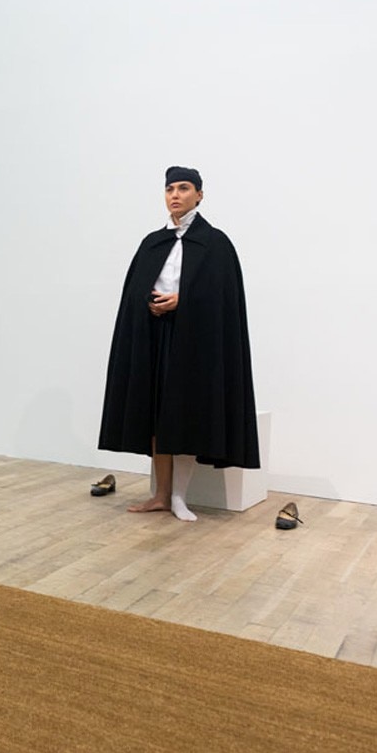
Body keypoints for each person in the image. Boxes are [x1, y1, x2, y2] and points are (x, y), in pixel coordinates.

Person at [96, 166, 259, 521]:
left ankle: (179, 497)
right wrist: (148, 302)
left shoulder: (215, 244)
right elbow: (134, 291)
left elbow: (222, 298)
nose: (175, 195)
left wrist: (183, 302)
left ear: (199, 195)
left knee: (183, 416)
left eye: (184, 188)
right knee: (156, 417)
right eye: (170, 188)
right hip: (154, 336)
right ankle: (160, 495)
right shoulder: (152, 243)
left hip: (194, 342)